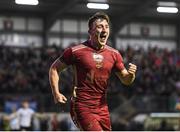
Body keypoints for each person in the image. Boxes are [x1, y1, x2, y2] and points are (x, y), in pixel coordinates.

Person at [49, 11, 137, 131]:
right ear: (90, 32)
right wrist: (56, 93)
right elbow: (54, 68)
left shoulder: (114, 54)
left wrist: (131, 75)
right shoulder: (75, 52)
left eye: (106, 27)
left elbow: (126, 80)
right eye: (100, 27)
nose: (104, 30)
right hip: (82, 105)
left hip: (102, 107)